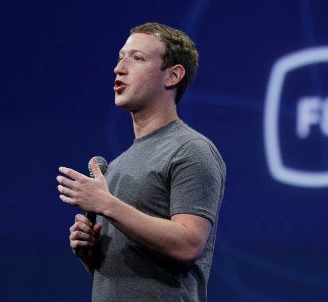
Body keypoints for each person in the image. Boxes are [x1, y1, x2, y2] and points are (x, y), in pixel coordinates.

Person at [56, 22, 226, 301]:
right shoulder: (119, 165)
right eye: (121, 56)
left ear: (172, 75)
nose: (119, 68)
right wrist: (90, 254)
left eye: (137, 58)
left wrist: (107, 205)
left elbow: (188, 245)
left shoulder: (191, 150)